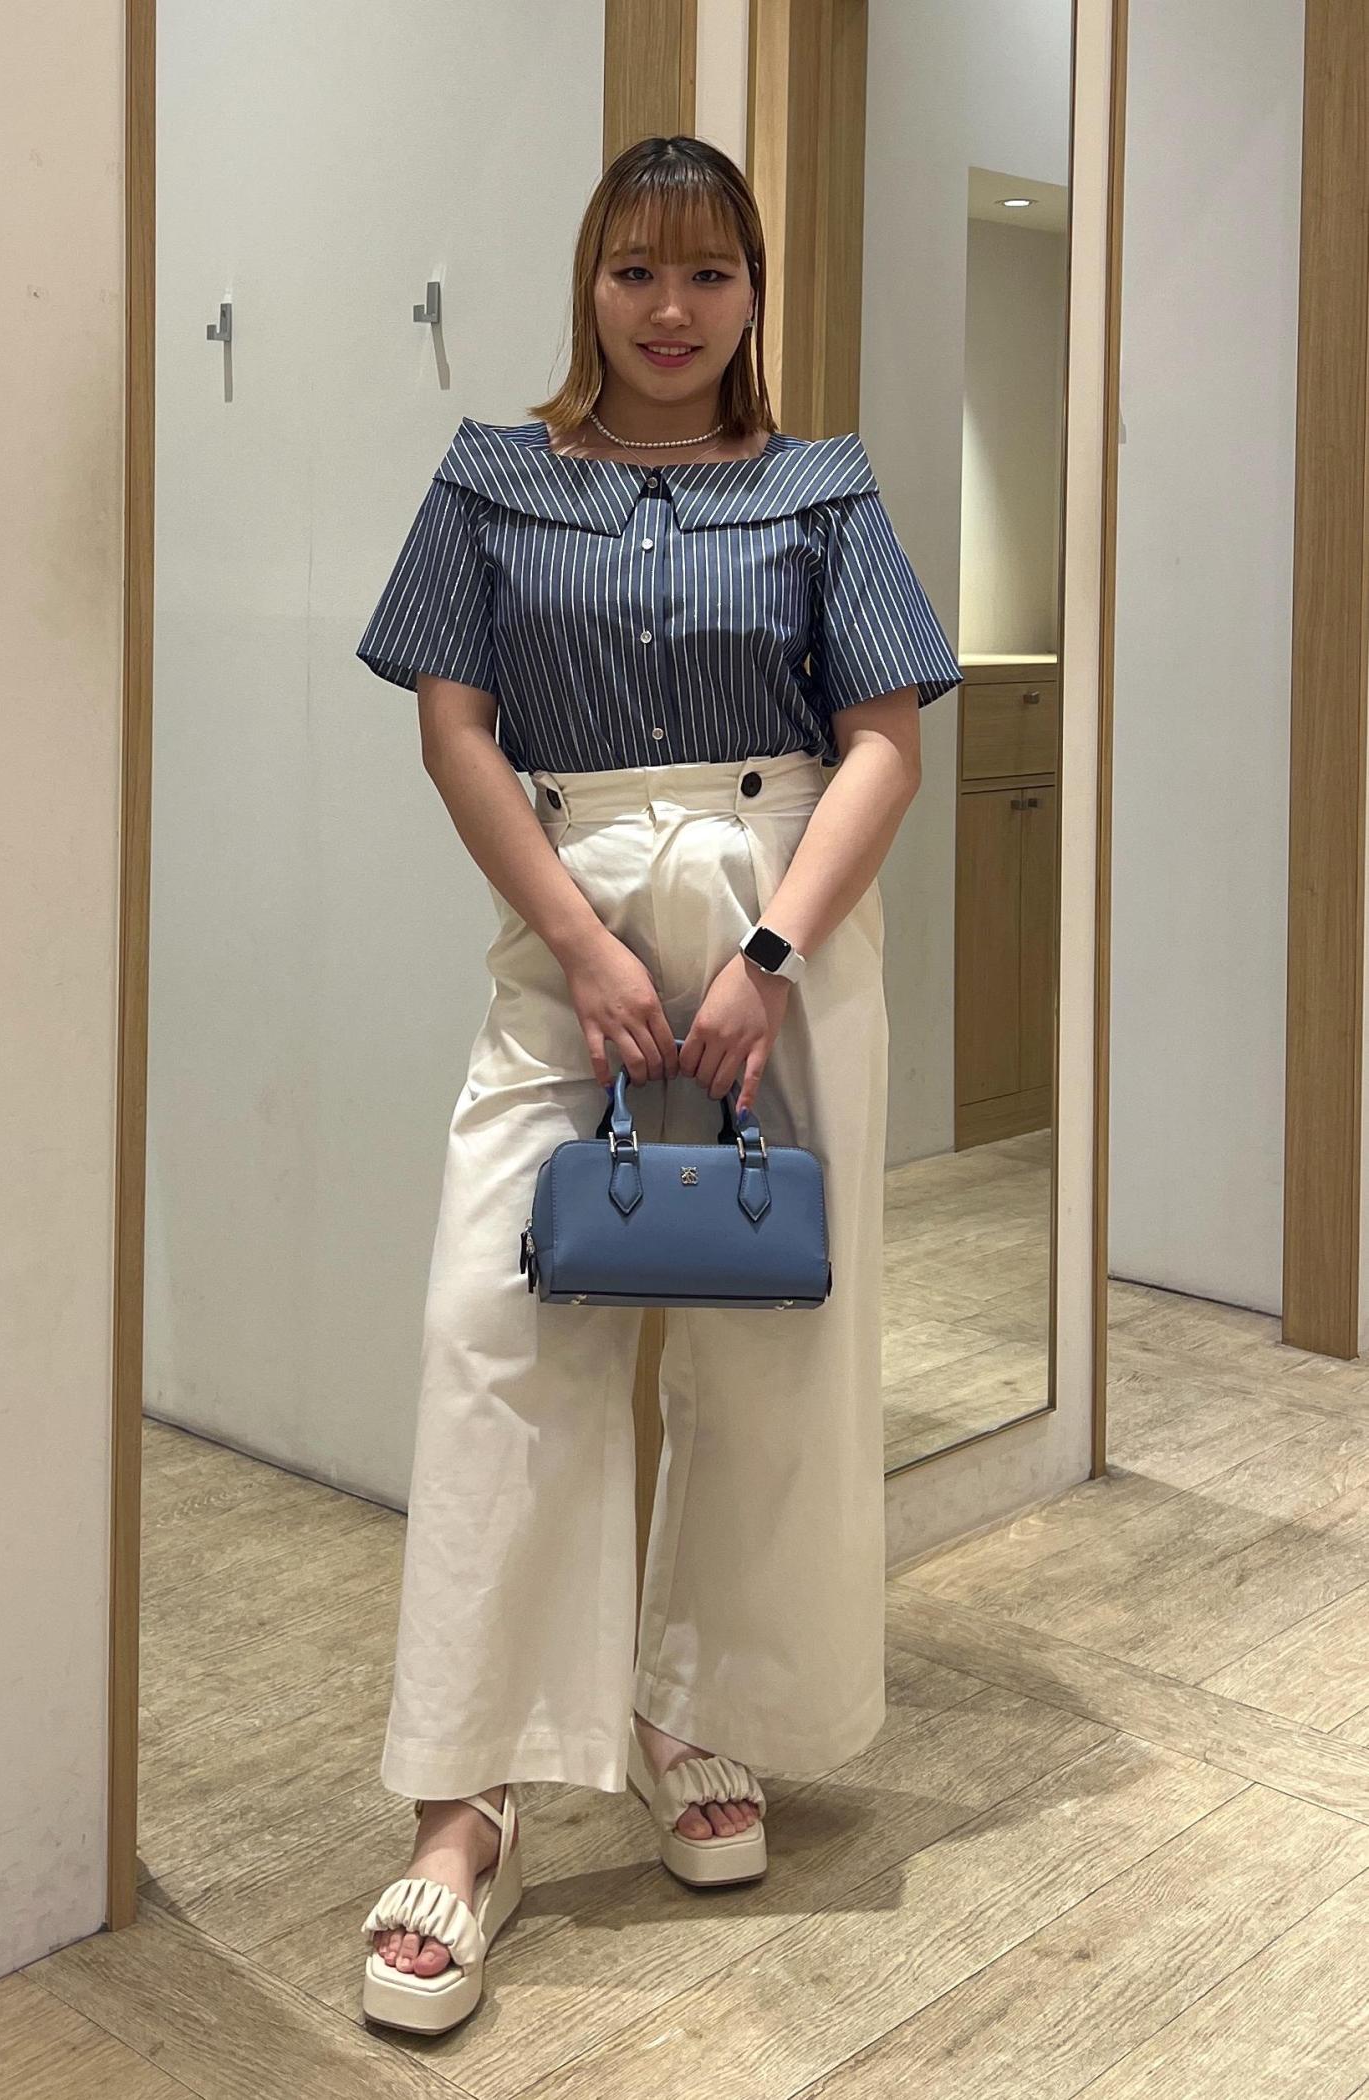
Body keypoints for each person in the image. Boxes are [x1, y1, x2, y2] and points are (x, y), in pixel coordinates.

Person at [353, 134, 962, 2032]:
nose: (672, 309)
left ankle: (697, 1710)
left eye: (709, 273)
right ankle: (468, 1806)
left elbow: (883, 740)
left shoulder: (821, 483)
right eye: (637, 270)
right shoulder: (494, 476)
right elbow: (456, 730)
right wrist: (588, 946)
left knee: (774, 1346)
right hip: (575, 925)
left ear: (753, 292)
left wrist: (768, 955)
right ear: (589, 283)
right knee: (493, 1331)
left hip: (786, 920)